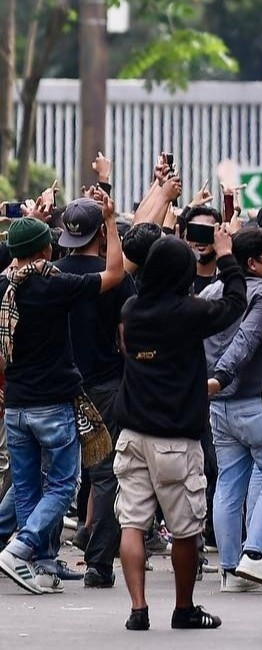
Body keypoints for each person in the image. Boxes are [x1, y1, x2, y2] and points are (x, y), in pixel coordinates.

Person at [113, 229, 246, 631]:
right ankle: (183, 608)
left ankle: (138, 610)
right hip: (175, 438)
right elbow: (234, 304)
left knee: (132, 523)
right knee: (185, 528)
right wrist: (226, 257)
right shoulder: (188, 313)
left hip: (132, 434)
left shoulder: (133, 309)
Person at [0, 194, 125, 595]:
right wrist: (109, 222)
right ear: (45, 249)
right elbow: (114, 276)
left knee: (25, 488)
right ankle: (21, 547)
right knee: (63, 485)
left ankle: (42, 565)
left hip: (16, 405)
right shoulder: (53, 284)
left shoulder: (5, 286)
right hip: (52, 403)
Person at [202, 228, 262, 592]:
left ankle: (228, 569)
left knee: (228, 482)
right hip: (256, 402)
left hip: (219, 408)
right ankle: (255, 556)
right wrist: (221, 378)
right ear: (252, 263)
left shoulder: (210, 290)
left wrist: (213, 383)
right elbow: (247, 339)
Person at [55, 197, 137, 588]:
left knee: (53, 473)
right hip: (105, 384)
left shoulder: (50, 275)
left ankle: (42, 555)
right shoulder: (113, 278)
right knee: (106, 476)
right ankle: (99, 563)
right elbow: (126, 338)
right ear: (100, 233)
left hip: (57, 384)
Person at [183, 206, 223, 295]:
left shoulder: (226, 279)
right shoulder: (179, 277)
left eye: (206, 232)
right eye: (195, 231)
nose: (200, 240)